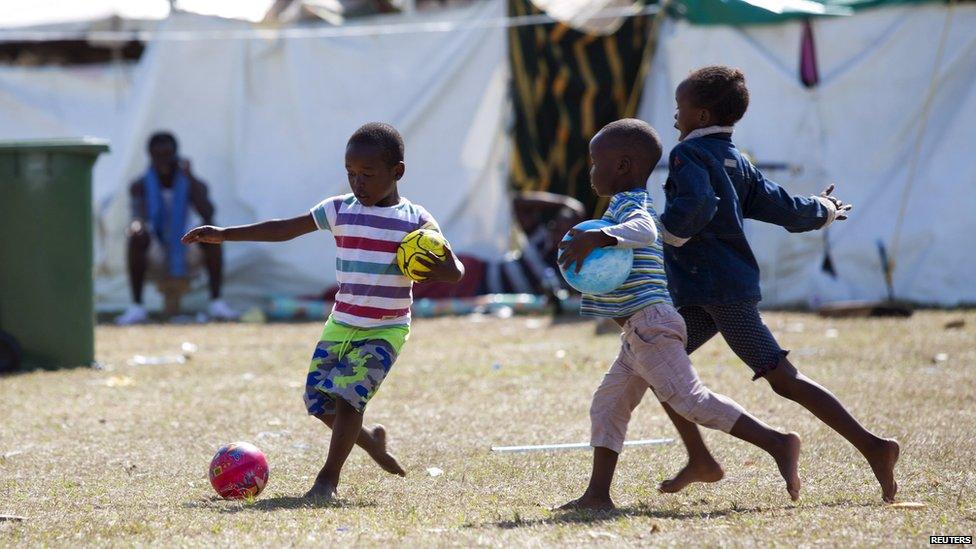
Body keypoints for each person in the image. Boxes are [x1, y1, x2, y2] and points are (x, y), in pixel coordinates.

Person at [182, 122, 465, 502]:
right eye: (350, 174)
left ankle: (326, 481)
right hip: (341, 323)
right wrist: (225, 234)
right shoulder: (339, 210)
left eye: (367, 174)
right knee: (318, 401)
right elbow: (284, 229)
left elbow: (456, 270)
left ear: (397, 172)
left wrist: (442, 269)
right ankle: (372, 444)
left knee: (349, 397)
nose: (357, 183)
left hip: (385, 328)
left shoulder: (416, 222)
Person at [657, 65, 899, 502]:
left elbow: (695, 206)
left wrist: (663, 232)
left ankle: (872, 446)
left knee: (782, 378)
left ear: (703, 115)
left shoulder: (688, 157)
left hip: (719, 292)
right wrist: (822, 208)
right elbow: (783, 206)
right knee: (653, 362)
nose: (675, 116)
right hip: (707, 292)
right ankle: (701, 457)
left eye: (680, 108)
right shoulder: (737, 161)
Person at [556, 119, 801, 511]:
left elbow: (645, 230)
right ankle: (597, 495)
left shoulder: (632, 204)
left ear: (622, 165)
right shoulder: (617, 205)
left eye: (594, 161)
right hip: (638, 333)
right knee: (608, 405)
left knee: (693, 401)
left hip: (652, 324)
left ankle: (777, 442)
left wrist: (599, 237)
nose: (590, 170)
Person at [115, 131, 237, 324]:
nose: (163, 160)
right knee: (136, 237)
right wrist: (136, 227)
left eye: (167, 155)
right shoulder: (139, 185)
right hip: (157, 249)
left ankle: (217, 302)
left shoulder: (189, 182)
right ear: (150, 155)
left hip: (185, 244)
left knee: (213, 233)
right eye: (158, 155)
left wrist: (189, 177)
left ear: (176, 154)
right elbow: (137, 216)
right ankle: (136, 307)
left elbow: (208, 213)